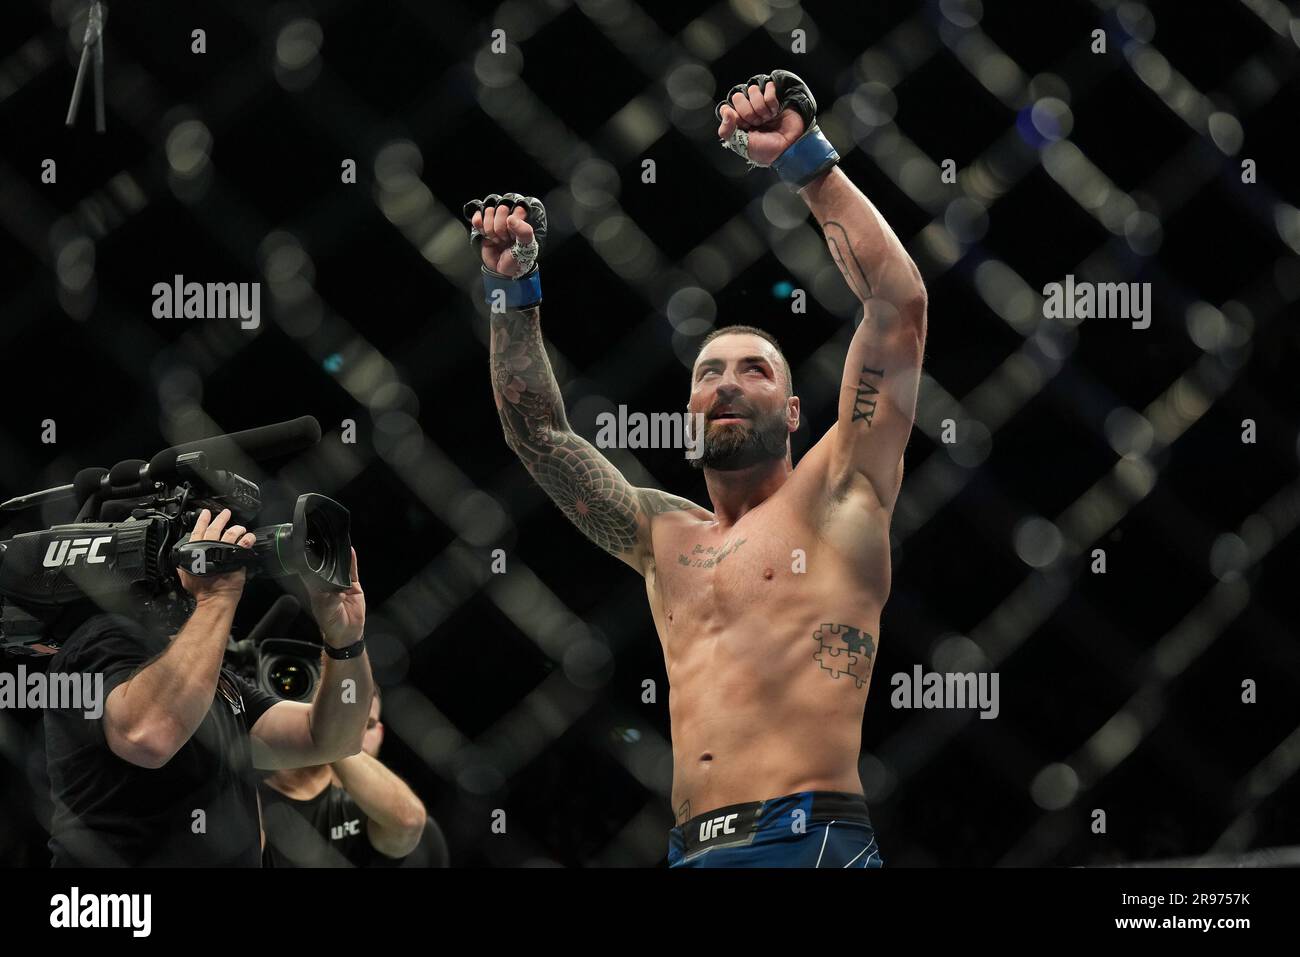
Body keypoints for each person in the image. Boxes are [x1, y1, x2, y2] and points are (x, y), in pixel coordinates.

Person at [466, 70, 927, 867]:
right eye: (709, 372)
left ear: (792, 413)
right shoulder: (662, 537)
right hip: (689, 849)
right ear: (688, 412)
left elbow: (897, 305)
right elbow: (539, 435)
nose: (725, 383)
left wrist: (807, 164)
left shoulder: (840, 490)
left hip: (808, 840)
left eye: (755, 369)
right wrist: (514, 293)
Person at [43, 506, 372, 866]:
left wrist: (345, 641)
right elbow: (148, 736)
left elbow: (331, 739)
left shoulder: (215, 680)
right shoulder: (98, 641)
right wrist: (218, 597)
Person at [260, 687, 449, 867]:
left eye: (368, 725)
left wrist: (331, 734)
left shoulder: (413, 829)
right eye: (344, 724)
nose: (355, 736)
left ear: (380, 733)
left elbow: (408, 821)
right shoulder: (253, 795)